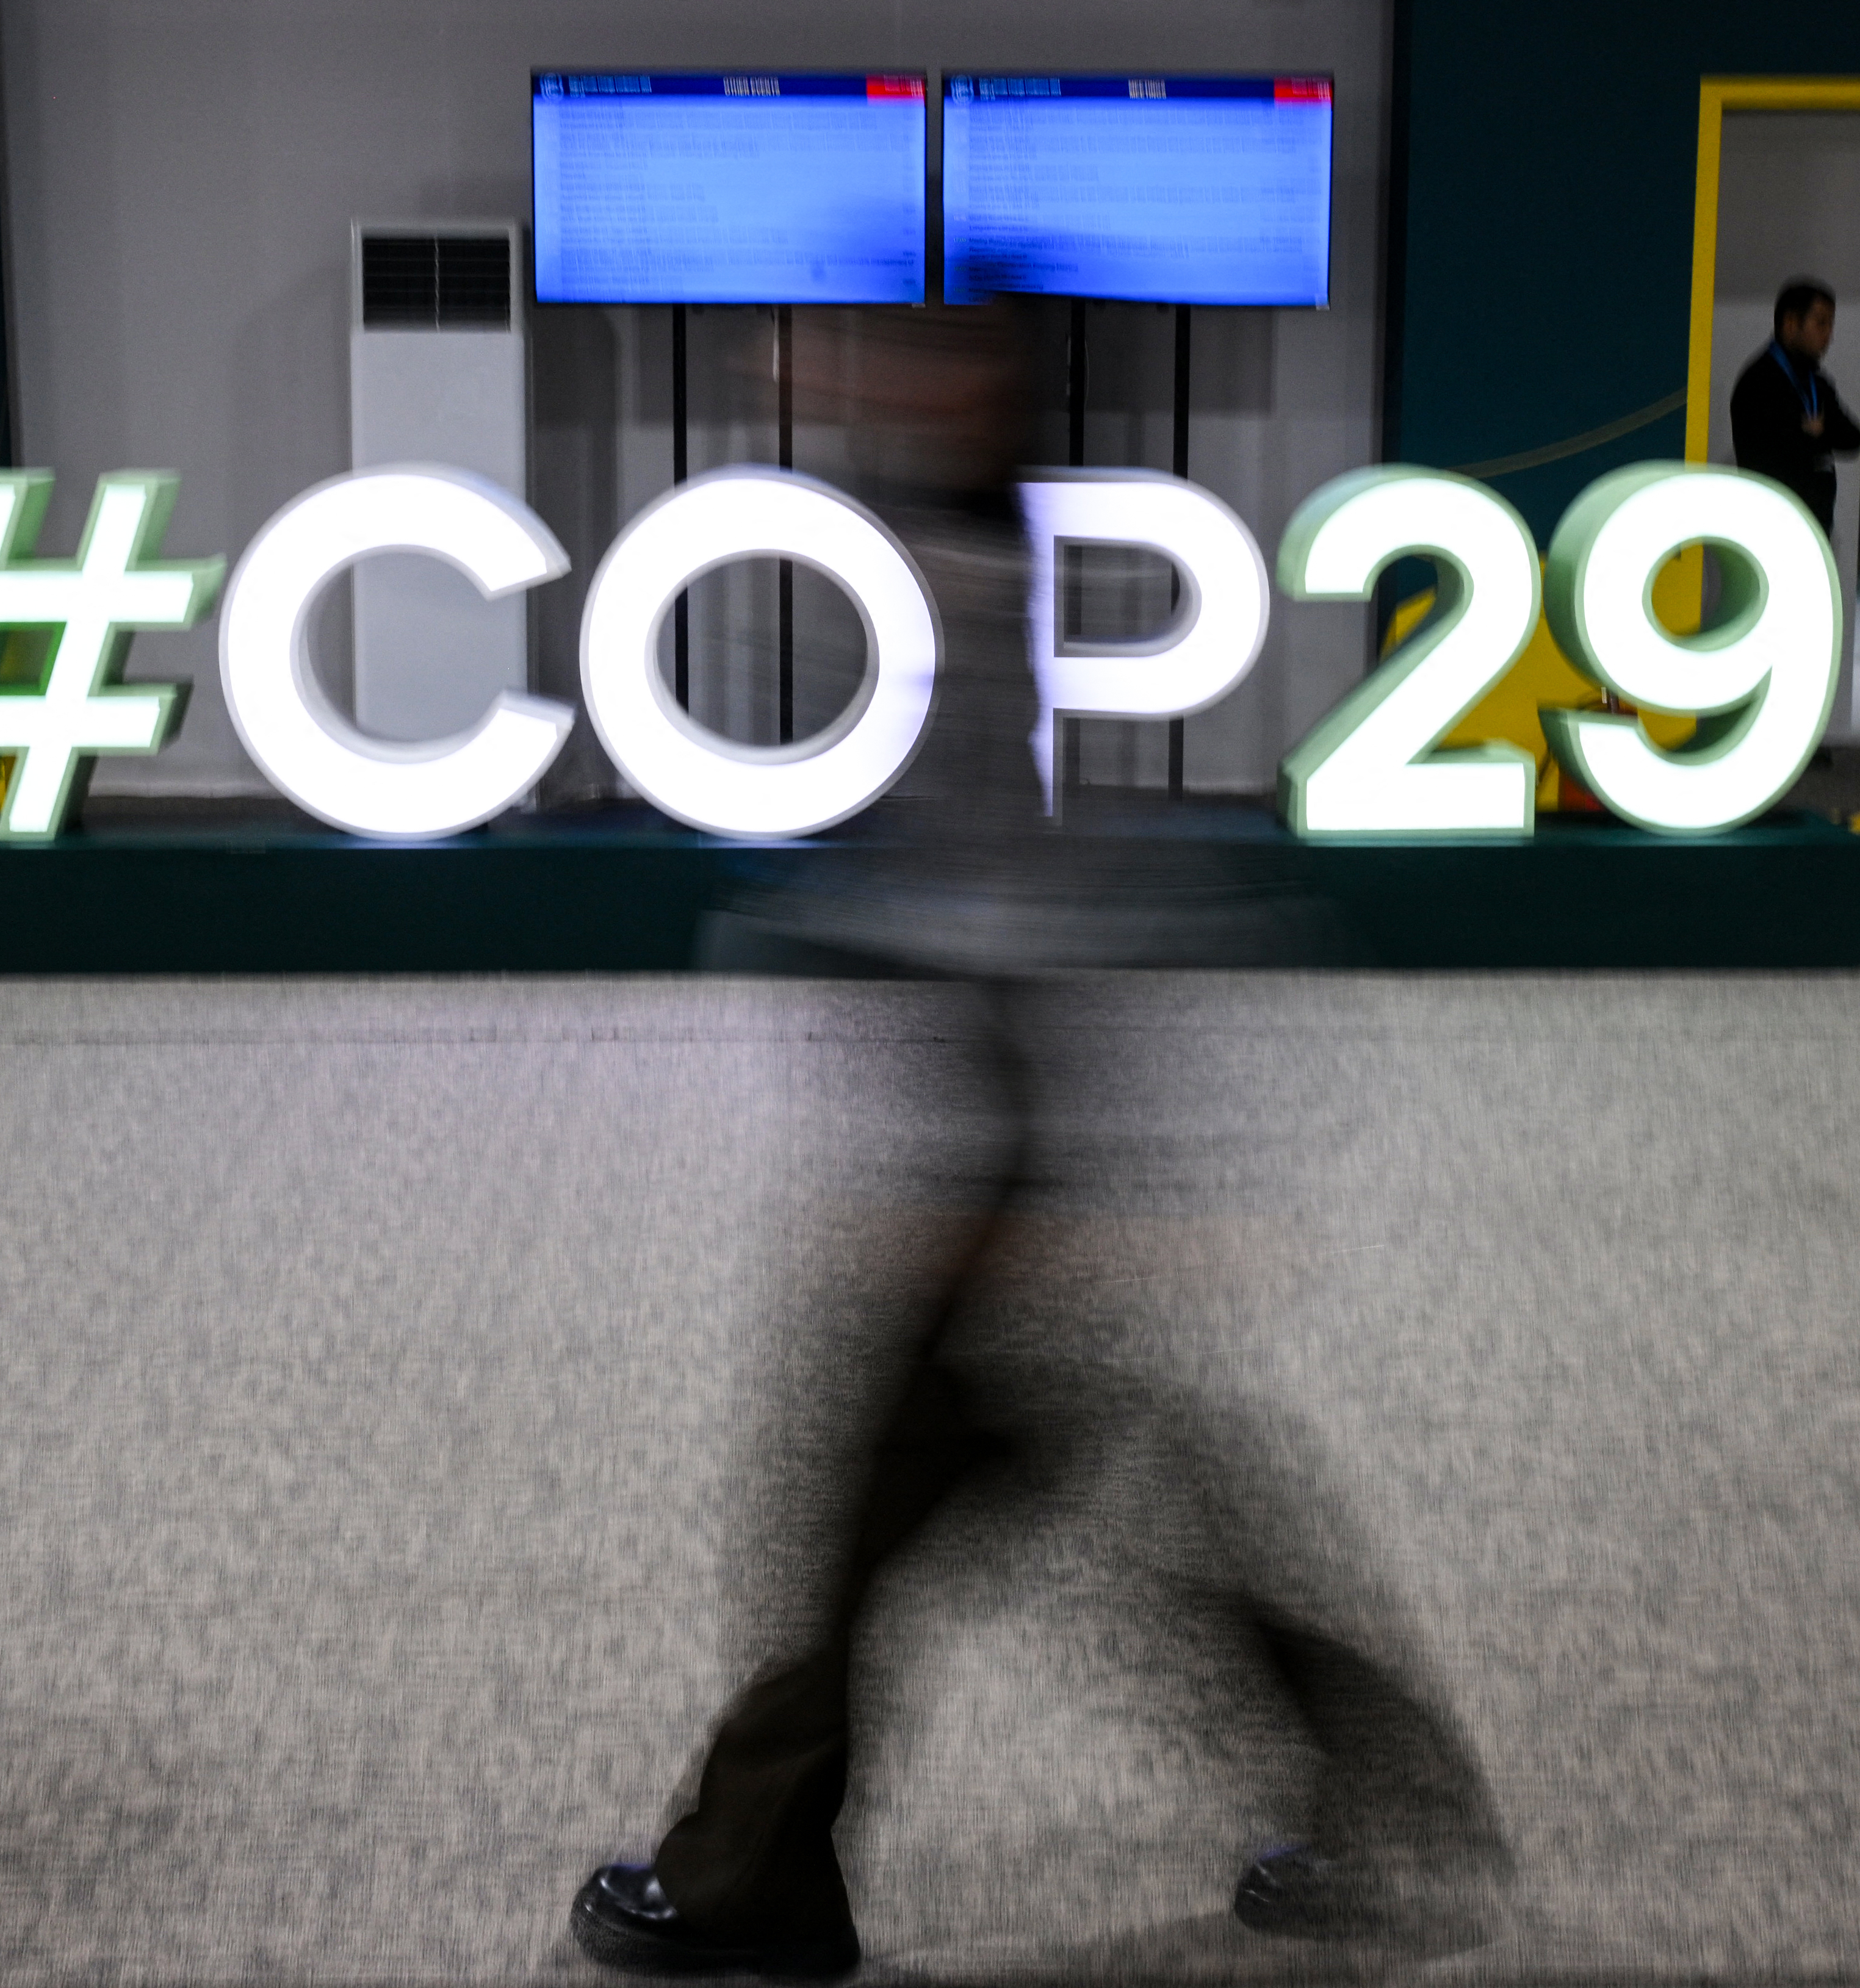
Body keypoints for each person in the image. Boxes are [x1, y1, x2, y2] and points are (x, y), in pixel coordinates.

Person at [565, 302, 1508, 1977]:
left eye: (923, 366)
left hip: (1003, 1144)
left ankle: (756, 1879)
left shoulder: (974, 581)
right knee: (1122, 1508)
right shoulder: (970, 544)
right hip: (1009, 1135)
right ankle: (1377, 1790)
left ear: (988, 388)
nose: (886, 389)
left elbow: (1015, 889)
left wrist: (1034, 1178)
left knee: (879, 1519)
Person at [1729, 276, 1860, 541]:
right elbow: (1774, 448)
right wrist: (1811, 435)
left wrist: (1820, 430)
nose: (1829, 336)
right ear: (1791, 324)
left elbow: (1853, 437)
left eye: (1831, 325)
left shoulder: (1819, 382)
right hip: (1772, 528)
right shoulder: (1759, 381)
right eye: (1821, 323)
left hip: (1815, 528)